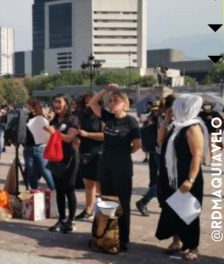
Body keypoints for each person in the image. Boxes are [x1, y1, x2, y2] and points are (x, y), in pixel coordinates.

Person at [87, 83, 142, 252]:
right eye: (110, 101)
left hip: (122, 166)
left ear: (125, 103)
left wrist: (123, 153)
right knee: (106, 200)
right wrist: (106, 90)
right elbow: (92, 104)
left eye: (116, 100)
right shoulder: (108, 118)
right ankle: (105, 234)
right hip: (106, 164)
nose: (112, 103)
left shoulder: (131, 121)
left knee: (122, 203)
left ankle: (123, 238)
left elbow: (137, 145)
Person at [155, 94, 209, 261]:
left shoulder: (193, 127)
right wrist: (166, 121)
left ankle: (193, 246)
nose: (173, 109)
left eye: (177, 106)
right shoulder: (176, 125)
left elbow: (196, 156)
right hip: (171, 177)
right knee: (171, 210)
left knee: (188, 213)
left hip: (186, 178)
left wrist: (190, 180)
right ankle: (176, 241)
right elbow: (160, 140)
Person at [43, 94, 80, 233]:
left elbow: (69, 138)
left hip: (69, 157)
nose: (55, 104)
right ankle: (61, 219)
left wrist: (54, 132)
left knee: (69, 189)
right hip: (55, 157)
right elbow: (51, 138)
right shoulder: (55, 120)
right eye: (54, 102)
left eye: (59, 102)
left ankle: (71, 220)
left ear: (67, 104)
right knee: (59, 190)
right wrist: (47, 126)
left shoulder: (73, 119)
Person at [74, 93, 104, 221]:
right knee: (88, 183)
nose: (88, 103)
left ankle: (104, 211)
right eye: (86, 101)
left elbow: (105, 136)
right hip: (84, 152)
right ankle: (88, 210)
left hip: (99, 152)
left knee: (99, 184)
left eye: (91, 101)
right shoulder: (81, 114)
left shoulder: (102, 115)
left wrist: (87, 134)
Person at [24, 99, 55, 190]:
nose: (27, 108)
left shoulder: (42, 117)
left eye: (28, 106)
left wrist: (48, 119)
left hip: (40, 148)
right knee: (31, 172)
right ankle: (34, 192)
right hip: (28, 147)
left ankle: (55, 192)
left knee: (45, 171)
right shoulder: (28, 117)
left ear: (33, 107)